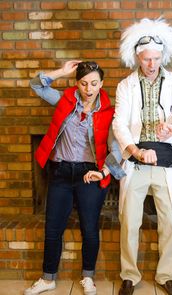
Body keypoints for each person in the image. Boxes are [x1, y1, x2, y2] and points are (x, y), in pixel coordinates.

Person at [112, 17, 172, 295]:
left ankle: (166, 276)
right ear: (137, 58)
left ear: (162, 56)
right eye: (146, 59)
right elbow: (119, 123)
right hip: (136, 159)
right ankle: (129, 274)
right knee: (130, 220)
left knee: (169, 220)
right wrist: (135, 151)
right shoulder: (125, 86)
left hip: (166, 161)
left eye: (155, 58)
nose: (151, 64)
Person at [24, 60, 125, 295]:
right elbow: (36, 85)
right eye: (83, 83)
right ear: (76, 83)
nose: (88, 89)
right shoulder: (65, 101)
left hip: (89, 174)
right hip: (60, 172)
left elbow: (117, 146)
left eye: (94, 83)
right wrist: (61, 71)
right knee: (53, 228)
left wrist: (104, 172)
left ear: (101, 84)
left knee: (89, 228)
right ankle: (47, 278)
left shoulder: (109, 112)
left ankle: (88, 276)